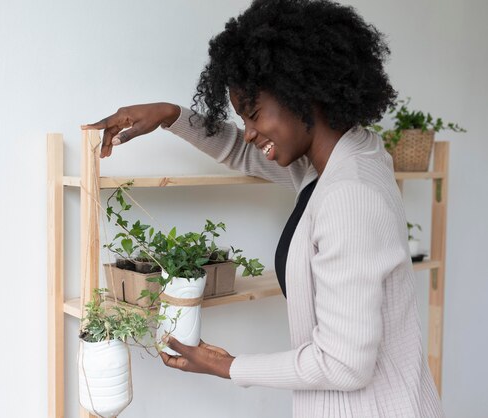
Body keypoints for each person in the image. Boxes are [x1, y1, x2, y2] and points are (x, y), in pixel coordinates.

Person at [82, 0, 444, 416]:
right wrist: (171, 115)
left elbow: (345, 365)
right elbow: (239, 149)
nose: (250, 133)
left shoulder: (350, 195)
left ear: (302, 91)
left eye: (253, 115)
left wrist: (226, 366)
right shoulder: (344, 157)